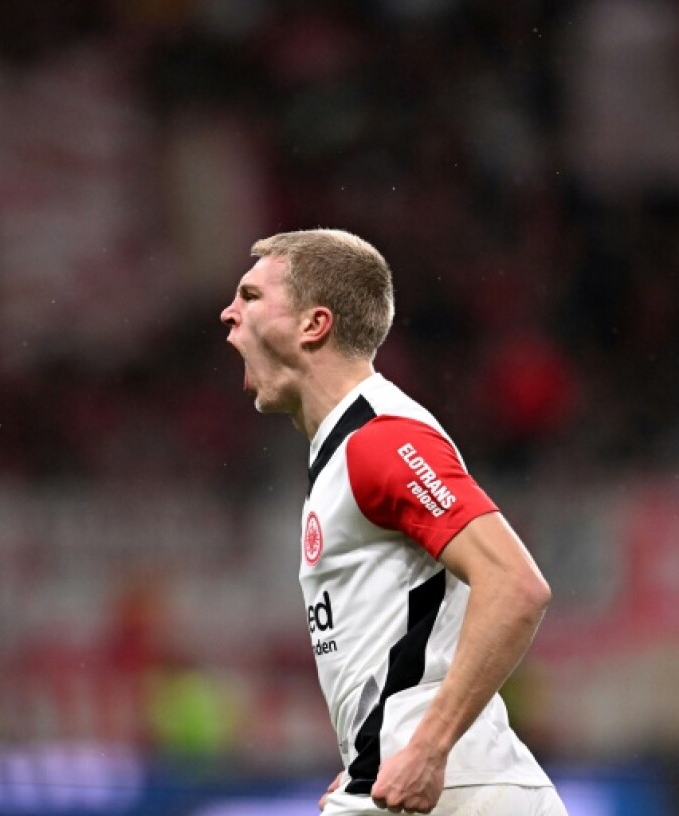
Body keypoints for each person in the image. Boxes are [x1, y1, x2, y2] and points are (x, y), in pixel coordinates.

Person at [220, 229, 566, 815]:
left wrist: (425, 748)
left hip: (453, 789)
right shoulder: (345, 449)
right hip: (432, 782)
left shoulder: (380, 442)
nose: (228, 313)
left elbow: (516, 585)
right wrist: (369, 751)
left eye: (251, 296)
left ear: (313, 325)